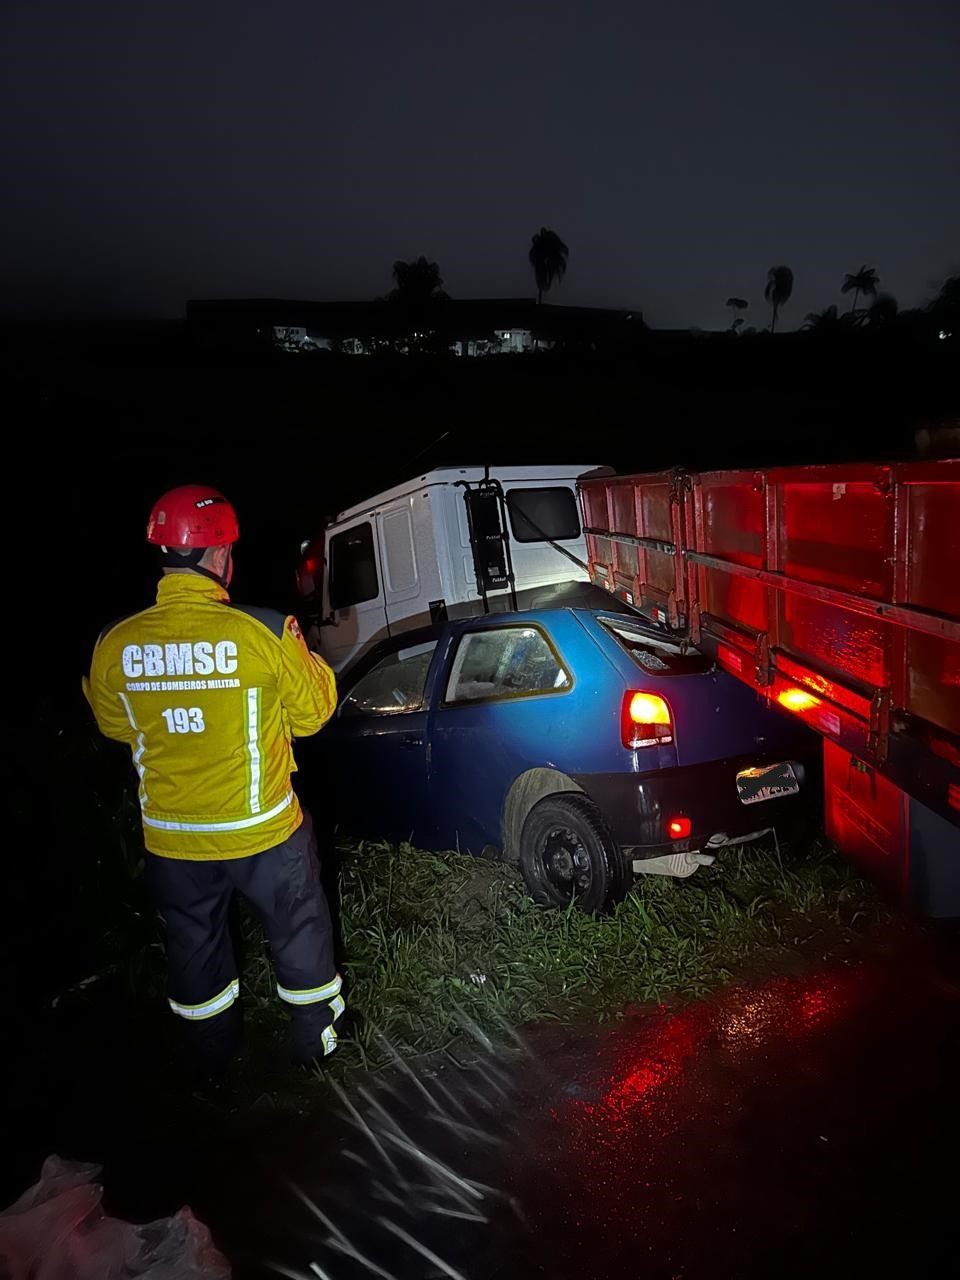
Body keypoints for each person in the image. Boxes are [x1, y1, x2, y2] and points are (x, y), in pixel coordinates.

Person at [84, 484, 341, 1076]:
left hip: (172, 839)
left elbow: (115, 725)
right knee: (299, 933)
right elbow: (314, 714)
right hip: (265, 832)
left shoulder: (114, 643)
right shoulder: (266, 631)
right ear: (221, 555)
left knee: (194, 950)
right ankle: (316, 1050)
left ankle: (209, 1064)